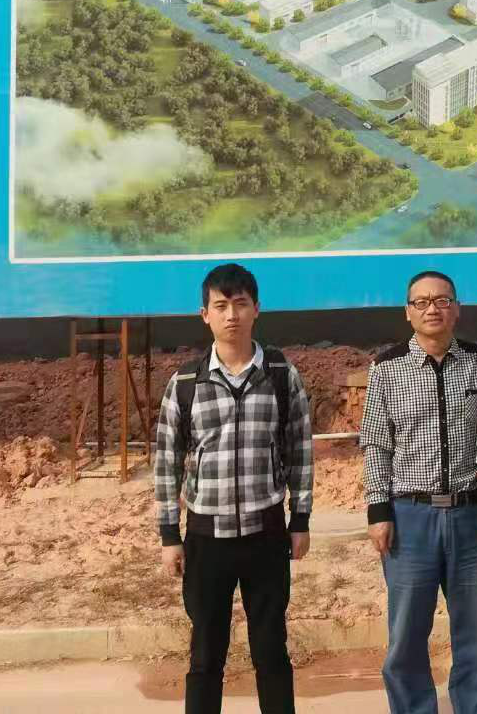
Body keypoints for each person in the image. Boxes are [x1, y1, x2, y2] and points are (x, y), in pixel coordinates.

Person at [154, 263, 313, 714]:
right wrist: (169, 535)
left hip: (267, 534)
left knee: (271, 650)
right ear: (204, 314)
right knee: (206, 654)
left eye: (240, 304)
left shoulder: (280, 374)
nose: (231, 315)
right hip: (207, 538)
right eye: (221, 306)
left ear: (256, 309)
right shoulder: (186, 383)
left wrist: (300, 519)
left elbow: (300, 449)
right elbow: (166, 462)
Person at [358, 271, 477, 714]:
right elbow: (376, 443)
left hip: (470, 515)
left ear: (457, 308)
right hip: (409, 518)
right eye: (421, 302)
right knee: (406, 632)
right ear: (408, 312)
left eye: (442, 300)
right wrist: (378, 510)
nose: (432, 309)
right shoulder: (387, 368)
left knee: (476, 630)